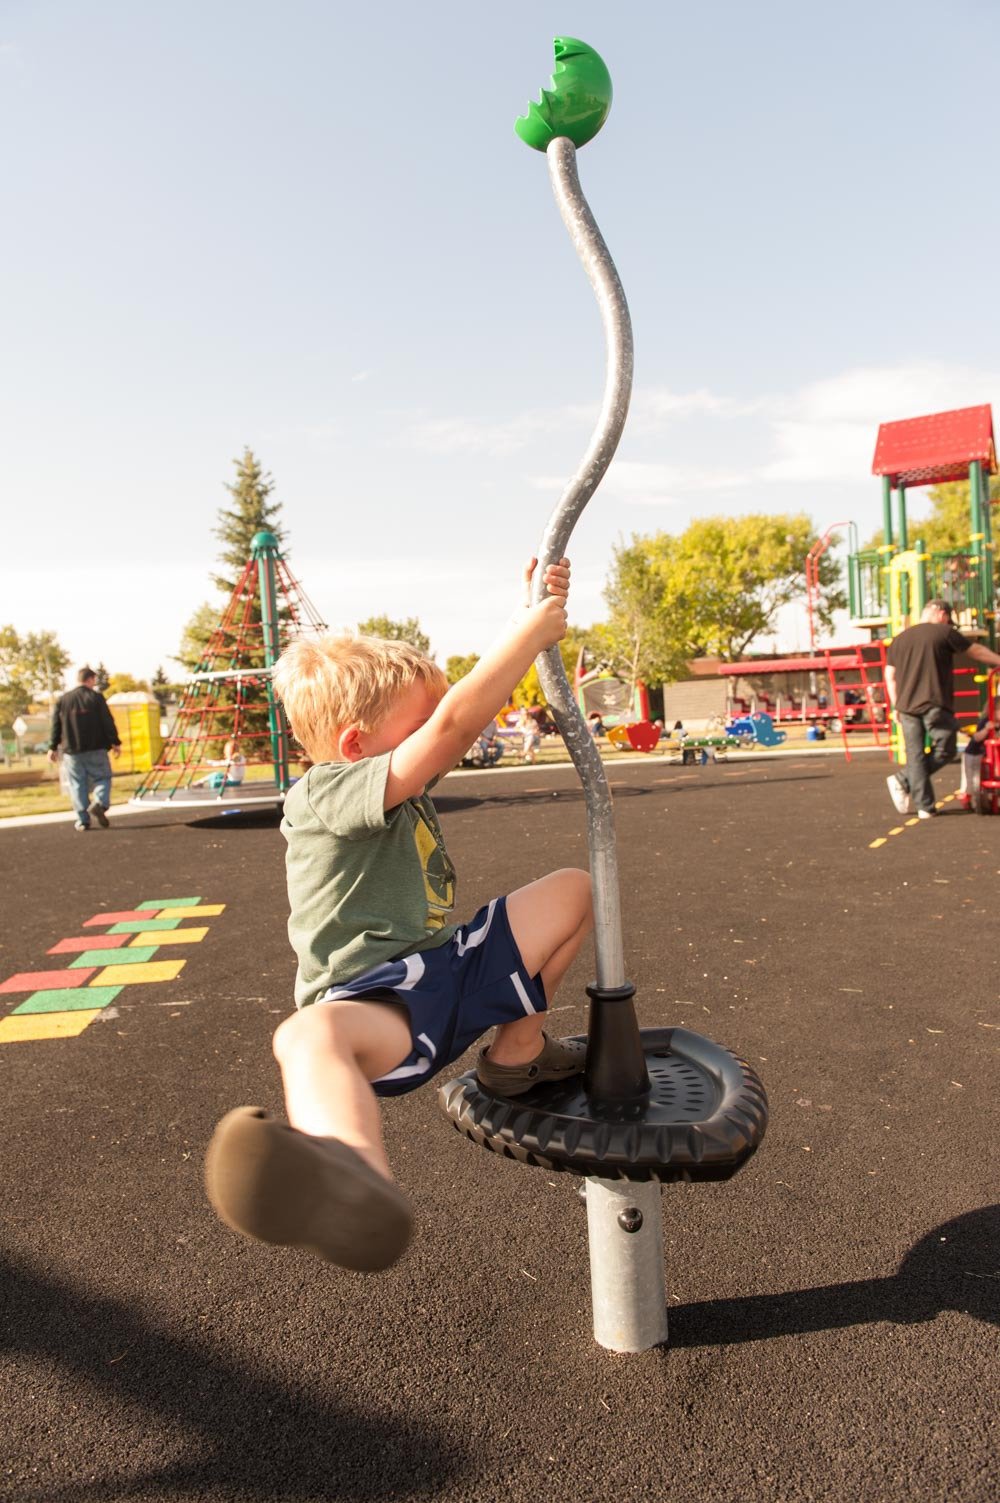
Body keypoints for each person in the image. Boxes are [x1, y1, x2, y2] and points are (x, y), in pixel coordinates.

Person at [204, 558, 593, 1273]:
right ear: (356, 746)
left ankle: (517, 1054)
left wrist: (529, 609)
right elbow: (447, 727)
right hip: (375, 1003)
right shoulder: (323, 794)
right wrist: (527, 630)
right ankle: (350, 1171)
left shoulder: (397, 779)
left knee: (571, 890)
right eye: (411, 732)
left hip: (450, 968)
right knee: (305, 1034)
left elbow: (457, 719)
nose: (434, 746)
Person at [884, 600, 1000, 819]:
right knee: (946, 748)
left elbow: (889, 675)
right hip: (933, 702)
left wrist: (895, 704)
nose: (949, 623)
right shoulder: (943, 632)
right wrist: (998, 661)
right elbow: (976, 652)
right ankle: (904, 781)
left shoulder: (899, 639)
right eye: (948, 618)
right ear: (940, 613)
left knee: (915, 755)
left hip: (907, 706)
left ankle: (923, 805)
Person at [47, 666, 121, 830]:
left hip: (72, 751)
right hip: (96, 747)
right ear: (91, 679)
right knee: (102, 778)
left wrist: (52, 747)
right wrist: (115, 742)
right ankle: (100, 804)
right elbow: (107, 721)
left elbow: (56, 725)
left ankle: (83, 820)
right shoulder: (96, 698)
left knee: (77, 784)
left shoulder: (64, 699)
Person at [958, 710, 995, 811]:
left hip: (987, 756)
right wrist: (987, 729)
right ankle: (967, 797)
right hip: (973, 754)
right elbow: (976, 737)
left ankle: (987, 800)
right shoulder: (986, 721)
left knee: (987, 775)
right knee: (972, 779)